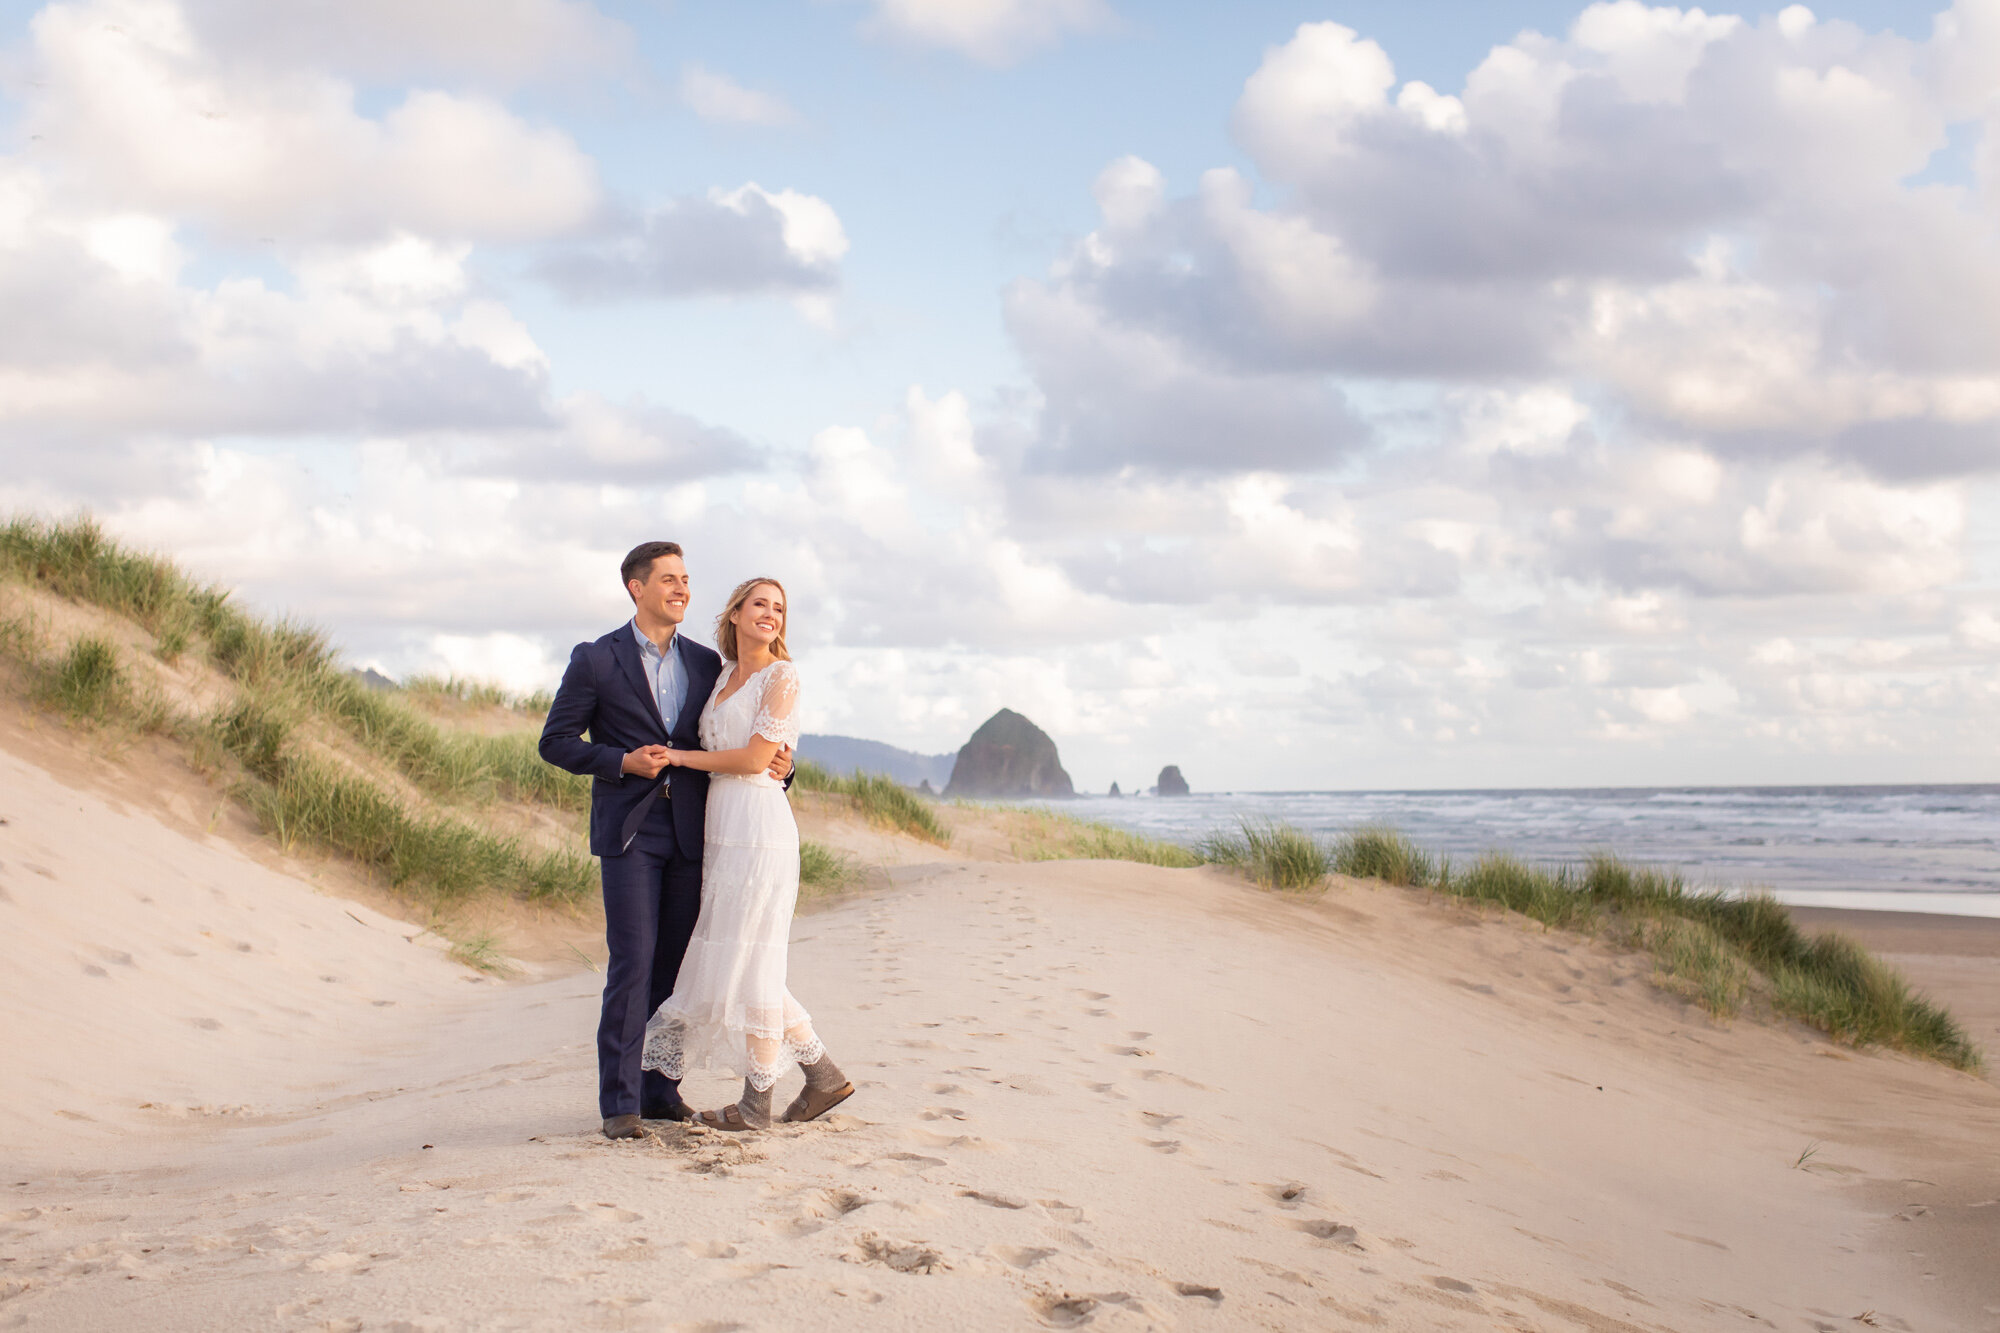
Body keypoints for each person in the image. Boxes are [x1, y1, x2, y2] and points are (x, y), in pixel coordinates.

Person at [538, 542, 793, 1140]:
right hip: (629, 833)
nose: (682, 589)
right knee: (632, 964)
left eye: (686, 580)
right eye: (669, 580)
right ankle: (620, 1104)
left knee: (676, 968)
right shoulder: (596, 659)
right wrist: (622, 760)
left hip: (696, 832)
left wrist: (784, 761)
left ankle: (659, 1092)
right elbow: (555, 742)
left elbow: (741, 733)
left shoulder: (710, 665)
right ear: (637, 587)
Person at [641, 576, 853, 1131]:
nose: (771, 614)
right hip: (721, 829)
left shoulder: (783, 675)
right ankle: (823, 1076)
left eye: (779, 608)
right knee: (740, 957)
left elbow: (760, 757)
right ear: (734, 613)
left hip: (760, 827)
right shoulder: (720, 677)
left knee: (754, 959)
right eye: (760, 604)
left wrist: (681, 759)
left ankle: (756, 1104)